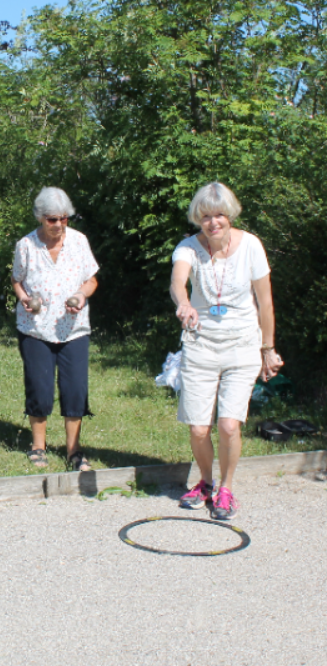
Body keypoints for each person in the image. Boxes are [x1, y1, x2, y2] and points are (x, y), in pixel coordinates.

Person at [170, 182, 283, 520]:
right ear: (198, 219)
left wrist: (268, 348)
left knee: (229, 425)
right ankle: (205, 482)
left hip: (242, 345)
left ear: (229, 214)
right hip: (200, 344)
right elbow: (178, 281)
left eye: (219, 214)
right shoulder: (188, 248)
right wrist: (185, 304)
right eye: (206, 216)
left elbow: (265, 303)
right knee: (198, 427)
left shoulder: (251, 246)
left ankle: (227, 489)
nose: (213, 222)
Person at [12, 187, 99, 471]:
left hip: (73, 329)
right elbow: (17, 281)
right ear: (40, 218)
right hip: (36, 329)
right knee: (40, 388)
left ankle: (74, 450)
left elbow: (91, 280)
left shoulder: (79, 241)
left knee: (75, 389)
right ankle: (38, 446)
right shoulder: (25, 245)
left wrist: (81, 296)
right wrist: (25, 299)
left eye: (63, 218)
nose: (59, 225)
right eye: (52, 219)